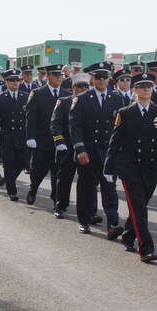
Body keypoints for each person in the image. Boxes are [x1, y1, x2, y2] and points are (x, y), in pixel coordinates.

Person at [104, 73, 157, 262]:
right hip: (130, 167)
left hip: (151, 166)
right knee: (139, 207)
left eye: (149, 86)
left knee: (140, 206)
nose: (146, 89)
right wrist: (109, 168)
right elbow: (115, 142)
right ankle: (146, 248)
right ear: (135, 90)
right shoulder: (125, 112)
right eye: (142, 86)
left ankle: (129, 234)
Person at [69, 62, 123, 237]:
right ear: (92, 79)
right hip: (88, 152)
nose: (101, 80)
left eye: (104, 77)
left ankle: (113, 223)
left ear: (109, 79)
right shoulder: (82, 98)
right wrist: (80, 149)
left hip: (108, 152)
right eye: (98, 77)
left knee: (110, 188)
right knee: (86, 188)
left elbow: (120, 127)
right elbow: (74, 126)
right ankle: (84, 221)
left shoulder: (116, 98)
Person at [25, 64, 69, 205]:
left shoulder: (66, 94)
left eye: (60, 75)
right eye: (55, 75)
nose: (58, 78)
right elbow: (30, 118)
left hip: (60, 141)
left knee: (58, 172)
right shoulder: (37, 93)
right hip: (42, 140)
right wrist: (30, 137)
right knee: (38, 170)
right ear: (48, 76)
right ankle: (33, 189)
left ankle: (56, 197)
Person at [50, 73, 89, 219]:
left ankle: (88, 211)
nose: (84, 89)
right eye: (80, 86)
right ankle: (60, 205)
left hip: (84, 147)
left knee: (87, 181)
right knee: (65, 178)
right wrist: (59, 141)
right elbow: (55, 124)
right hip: (67, 147)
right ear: (73, 87)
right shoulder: (64, 101)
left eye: (86, 86)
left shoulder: (89, 102)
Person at [0, 69, 29, 200]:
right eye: (12, 80)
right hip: (7, 136)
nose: (15, 83)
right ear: (6, 82)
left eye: (17, 80)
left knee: (22, 163)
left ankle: (4, 180)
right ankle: (12, 191)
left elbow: (31, 118)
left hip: (22, 136)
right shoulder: (0, 98)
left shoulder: (25, 96)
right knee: (9, 164)